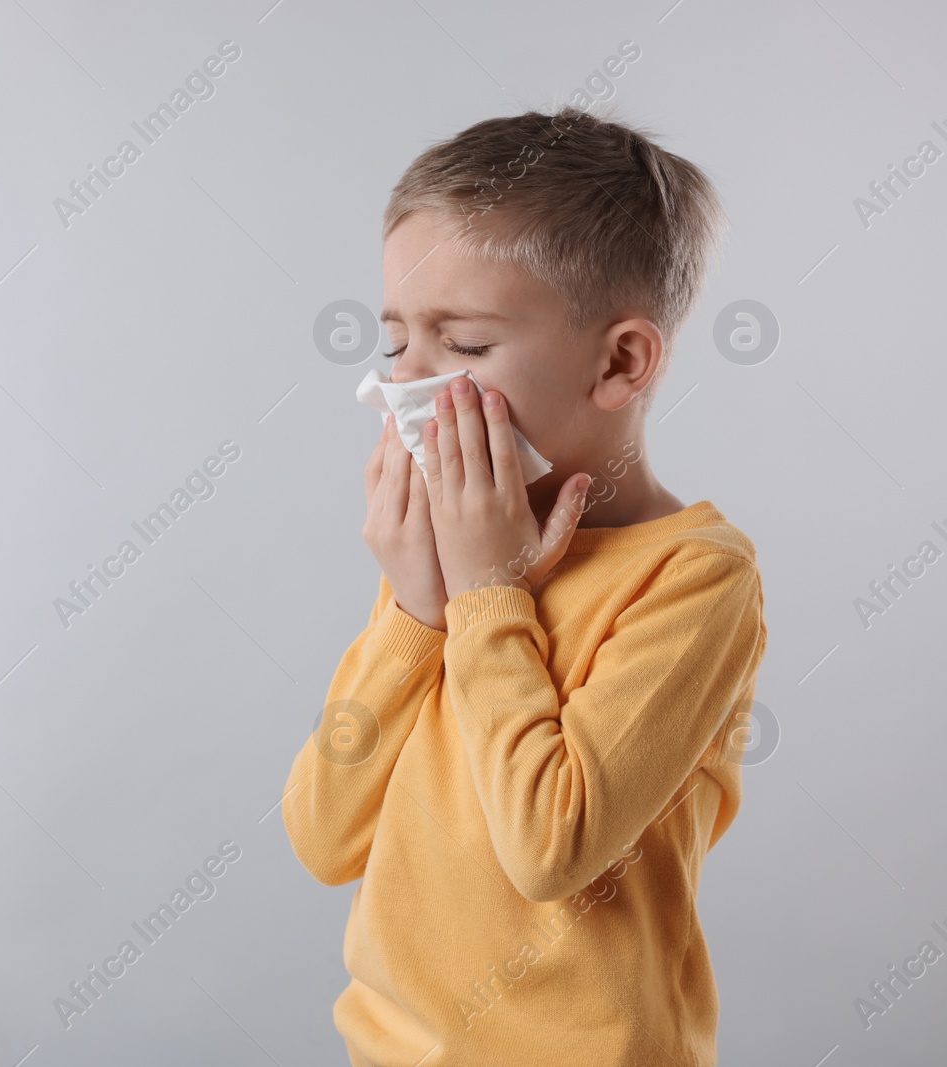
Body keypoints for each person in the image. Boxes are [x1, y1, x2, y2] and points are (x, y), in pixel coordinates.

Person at [283, 106, 768, 1067]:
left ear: (620, 362)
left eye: (462, 347)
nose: (405, 384)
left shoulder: (695, 577)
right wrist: (417, 613)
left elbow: (551, 847)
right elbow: (322, 835)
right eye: (394, 344)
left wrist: (486, 595)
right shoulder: (451, 559)